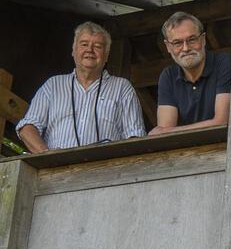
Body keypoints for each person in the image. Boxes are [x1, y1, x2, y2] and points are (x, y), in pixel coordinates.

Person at [16, 22, 146, 153]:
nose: (89, 49)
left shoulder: (122, 87)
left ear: (106, 56)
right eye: (84, 44)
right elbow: (27, 128)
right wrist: (46, 154)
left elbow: (135, 135)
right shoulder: (53, 85)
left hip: (105, 169)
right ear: (73, 51)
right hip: (56, 169)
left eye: (97, 46)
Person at [150, 11, 231, 134]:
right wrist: (166, 131)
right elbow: (165, 135)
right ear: (168, 47)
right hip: (186, 152)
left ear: (203, 39)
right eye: (177, 43)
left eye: (192, 39)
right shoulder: (168, 76)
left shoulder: (224, 63)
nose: (186, 48)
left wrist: (168, 131)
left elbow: (222, 122)